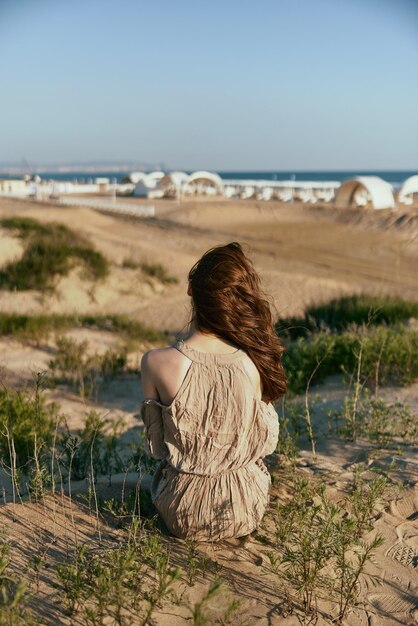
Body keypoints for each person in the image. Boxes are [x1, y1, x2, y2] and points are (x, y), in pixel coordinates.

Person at [140, 242, 287, 541]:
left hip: (181, 511)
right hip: (244, 508)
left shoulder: (156, 362)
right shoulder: (254, 360)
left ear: (191, 292)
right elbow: (267, 442)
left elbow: (157, 449)